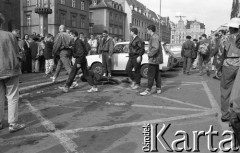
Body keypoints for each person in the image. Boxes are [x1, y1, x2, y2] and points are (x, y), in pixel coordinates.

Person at [0, 13, 26, 133]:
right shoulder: (10, 35)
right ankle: (13, 123)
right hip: (10, 69)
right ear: (2, 22)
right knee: (12, 97)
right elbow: (17, 52)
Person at [220, 18, 240, 122]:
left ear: (230, 27)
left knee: (225, 90)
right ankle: (236, 114)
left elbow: (221, 54)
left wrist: (219, 68)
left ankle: (225, 115)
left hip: (228, 65)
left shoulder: (225, 38)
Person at [140, 25, 162, 96]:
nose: (147, 31)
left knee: (150, 75)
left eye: (147, 30)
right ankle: (158, 88)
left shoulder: (154, 37)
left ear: (150, 30)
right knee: (156, 74)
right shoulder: (155, 36)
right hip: (156, 59)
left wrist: (149, 53)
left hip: (154, 59)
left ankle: (148, 90)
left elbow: (155, 48)